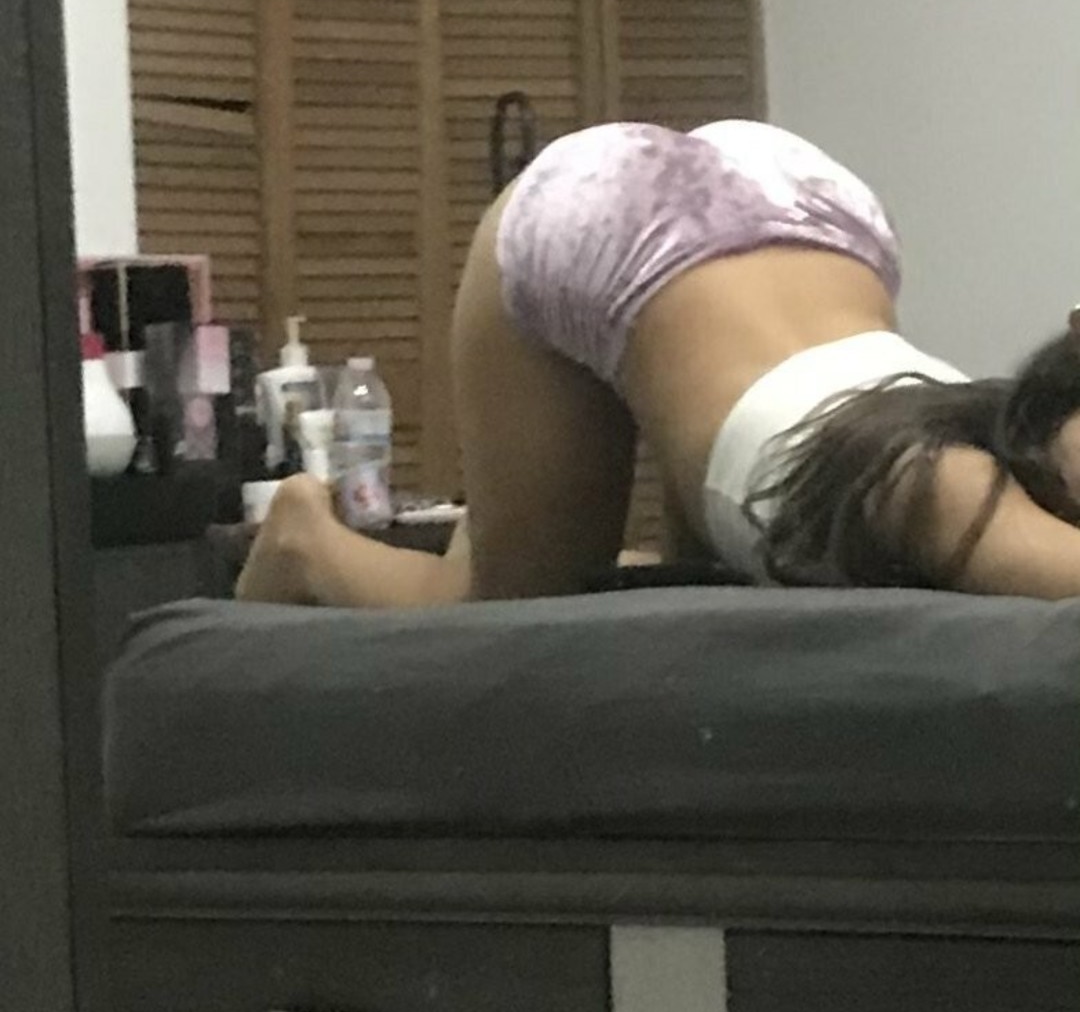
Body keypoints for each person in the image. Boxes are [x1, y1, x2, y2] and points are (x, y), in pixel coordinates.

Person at [236, 119, 1080, 609]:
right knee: (507, 603)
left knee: (701, 574)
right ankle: (306, 539)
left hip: (810, 210)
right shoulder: (940, 488)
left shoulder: (990, 427)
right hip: (597, 227)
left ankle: (521, 523)